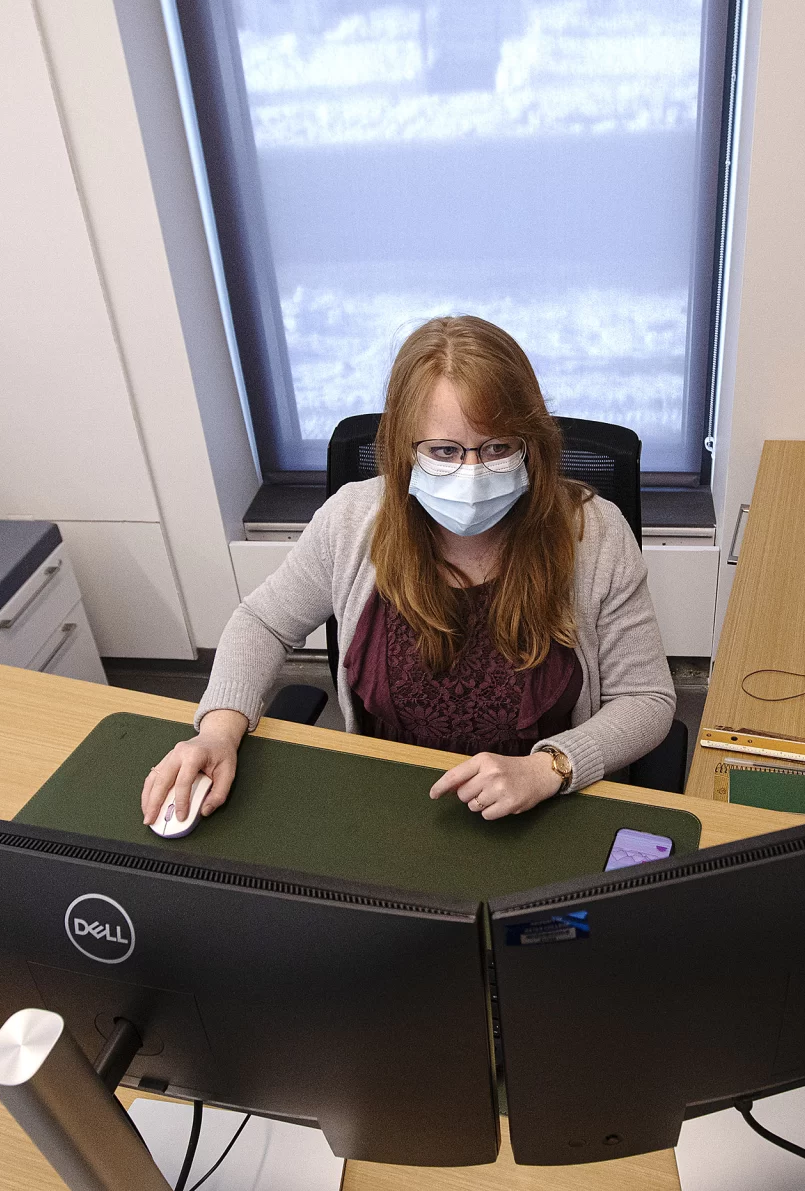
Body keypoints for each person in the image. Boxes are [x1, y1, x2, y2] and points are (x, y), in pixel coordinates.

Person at [140, 315, 674, 828]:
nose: (472, 471)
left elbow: (647, 700)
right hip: (386, 806)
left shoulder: (595, 533)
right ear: (404, 446)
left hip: (546, 807)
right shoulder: (354, 519)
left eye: (497, 447)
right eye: (444, 450)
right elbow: (262, 622)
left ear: (529, 443)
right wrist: (217, 731)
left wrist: (552, 767)